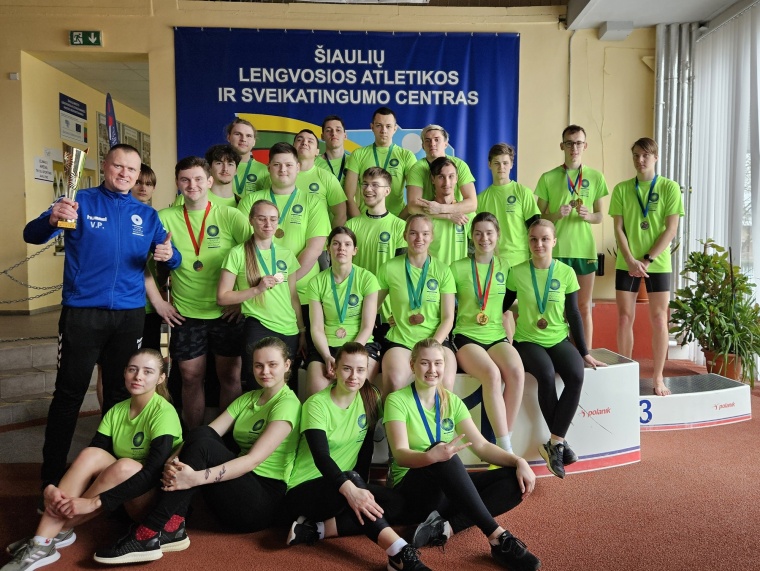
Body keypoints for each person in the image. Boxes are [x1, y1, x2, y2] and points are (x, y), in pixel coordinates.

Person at [23, 144, 181, 492]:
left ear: (138, 175)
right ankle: (51, 476)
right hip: (83, 314)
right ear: (106, 166)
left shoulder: (146, 215)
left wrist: (169, 255)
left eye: (132, 169)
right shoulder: (78, 201)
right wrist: (51, 219)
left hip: (128, 317)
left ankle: (108, 475)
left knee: (119, 397)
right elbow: (31, 235)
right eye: (118, 166)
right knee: (69, 394)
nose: (125, 174)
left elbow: (173, 258)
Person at [93, 338, 301, 564]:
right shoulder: (248, 399)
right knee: (201, 433)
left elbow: (252, 461)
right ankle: (172, 527)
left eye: (272, 365)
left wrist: (195, 478)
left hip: (260, 502)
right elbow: (207, 433)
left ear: (287, 365)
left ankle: (150, 531)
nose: (265, 371)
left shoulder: (287, 404)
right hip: (236, 489)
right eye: (258, 365)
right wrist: (173, 459)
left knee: (203, 445)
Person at [1, 349, 182, 571]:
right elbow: (90, 461)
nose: (138, 377)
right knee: (91, 454)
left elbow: (153, 472)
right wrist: (54, 487)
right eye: (132, 369)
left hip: (155, 505)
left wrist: (93, 502)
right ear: (124, 372)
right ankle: (43, 540)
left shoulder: (163, 412)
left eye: (148, 371)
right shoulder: (116, 411)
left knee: (125, 466)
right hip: (120, 497)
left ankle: (48, 533)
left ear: (161, 378)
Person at [384, 338, 540, 570]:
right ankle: (497, 537)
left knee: (513, 479)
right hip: (413, 491)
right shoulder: (396, 401)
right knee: (441, 453)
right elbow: (400, 455)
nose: (432, 369)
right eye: (425, 363)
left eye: (438, 363)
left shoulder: (452, 401)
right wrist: (432, 456)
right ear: (412, 365)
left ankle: (446, 528)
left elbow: (482, 446)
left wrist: (518, 461)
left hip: (446, 490)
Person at [285, 343, 431, 571]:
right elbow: (321, 457)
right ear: (334, 369)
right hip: (305, 490)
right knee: (355, 484)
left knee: (396, 503)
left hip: (346, 485)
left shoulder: (370, 397)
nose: (354, 376)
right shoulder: (316, 404)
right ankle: (399, 553)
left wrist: (361, 489)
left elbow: (366, 448)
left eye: (360, 370)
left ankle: (315, 530)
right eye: (347, 369)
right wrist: (353, 490)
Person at [504, 219, 606, 479]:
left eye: (544, 239)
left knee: (576, 374)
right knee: (546, 374)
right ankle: (560, 445)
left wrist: (584, 351)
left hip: (558, 338)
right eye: (533, 239)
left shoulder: (566, 272)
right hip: (527, 341)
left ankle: (555, 443)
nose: (538, 244)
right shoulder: (516, 272)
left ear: (554, 241)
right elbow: (501, 307)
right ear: (528, 242)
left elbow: (573, 313)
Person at [158, 157, 252, 428]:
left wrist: (242, 300)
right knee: (190, 377)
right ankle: (194, 438)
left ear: (210, 181)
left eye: (199, 179)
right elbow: (145, 263)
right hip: (186, 313)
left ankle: (225, 438)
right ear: (177, 183)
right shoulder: (164, 218)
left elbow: (254, 257)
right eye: (185, 180)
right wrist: (160, 301)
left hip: (226, 312)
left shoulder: (230, 215)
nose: (192, 185)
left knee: (230, 377)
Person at [238, 143, 331, 367]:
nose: (283, 169)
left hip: (303, 294)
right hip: (259, 300)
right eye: (277, 164)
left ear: (298, 167)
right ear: (268, 167)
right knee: (260, 367)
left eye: (289, 165)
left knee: (296, 364)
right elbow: (243, 246)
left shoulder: (313, 202)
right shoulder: (251, 201)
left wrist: (284, 281)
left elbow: (314, 248)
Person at [609, 137, 683, 396]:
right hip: (626, 262)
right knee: (624, 318)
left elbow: (671, 229)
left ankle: (658, 377)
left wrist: (648, 259)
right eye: (636, 156)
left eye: (645, 155)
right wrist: (630, 259)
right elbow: (618, 228)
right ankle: (625, 373)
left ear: (655, 157)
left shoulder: (669, 188)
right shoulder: (621, 189)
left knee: (660, 319)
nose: (640, 160)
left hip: (657, 264)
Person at [451, 213, 524, 453]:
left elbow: (512, 303)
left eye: (489, 233)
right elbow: (444, 305)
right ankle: (505, 451)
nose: (484, 238)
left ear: (498, 235)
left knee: (516, 372)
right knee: (492, 374)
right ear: (471, 236)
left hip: (496, 336)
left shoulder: (506, 267)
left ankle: (505, 442)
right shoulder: (457, 267)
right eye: (479, 233)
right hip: (466, 337)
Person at [218, 200, 304, 390]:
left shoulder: (286, 254)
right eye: (261, 219)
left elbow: (293, 296)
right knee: (258, 384)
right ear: (251, 220)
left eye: (273, 219)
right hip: (259, 325)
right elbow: (222, 297)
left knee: (286, 386)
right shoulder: (237, 253)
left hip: (289, 328)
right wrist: (256, 290)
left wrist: (302, 330)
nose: (268, 224)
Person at [535, 125, 608, 349]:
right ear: (562, 146)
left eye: (578, 143)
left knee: (584, 307)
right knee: (557, 307)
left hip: (584, 250)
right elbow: (539, 217)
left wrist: (588, 215)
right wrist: (556, 214)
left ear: (585, 146)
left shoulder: (595, 177)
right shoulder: (548, 177)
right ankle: (560, 353)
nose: (574, 148)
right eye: (569, 143)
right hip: (556, 252)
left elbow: (600, 216)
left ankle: (585, 355)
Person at [377, 215, 457, 400]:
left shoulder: (443, 271)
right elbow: (372, 306)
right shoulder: (389, 268)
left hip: (436, 340)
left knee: (445, 385)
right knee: (395, 382)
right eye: (413, 233)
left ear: (432, 237)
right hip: (402, 341)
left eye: (425, 234)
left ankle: (441, 420)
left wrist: (432, 346)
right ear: (405, 235)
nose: (419, 238)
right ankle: (390, 419)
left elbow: (448, 318)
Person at [306, 226, 380, 395]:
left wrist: (348, 357)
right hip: (326, 347)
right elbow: (316, 328)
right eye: (336, 244)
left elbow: (367, 326)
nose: (341, 248)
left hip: (360, 344)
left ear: (355, 250)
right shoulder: (316, 282)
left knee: (358, 389)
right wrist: (327, 356)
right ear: (328, 248)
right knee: (317, 391)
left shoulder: (367, 279)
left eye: (347, 244)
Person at [344, 167, 407, 346]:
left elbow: (402, 275)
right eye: (365, 184)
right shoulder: (351, 226)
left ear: (387, 191)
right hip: (356, 310)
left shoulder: (400, 227)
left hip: (389, 315)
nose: (368, 189)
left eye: (375, 185)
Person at [255, 130, 347, 227]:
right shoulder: (273, 177)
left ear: (317, 151)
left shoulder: (328, 178)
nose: (304, 143)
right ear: (293, 147)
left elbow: (340, 215)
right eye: (299, 140)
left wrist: (328, 236)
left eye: (310, 141)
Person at [343, 107, 417, 218]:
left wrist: (398, 222)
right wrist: (360, 222)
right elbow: (348, 196)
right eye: (379, 125)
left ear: (395, 129)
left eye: (388, 126)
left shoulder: (406, 156)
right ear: (372, 127)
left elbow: (414, 198)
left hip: (396, 219)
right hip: (366, 219)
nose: (383, 130)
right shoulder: (358, 154)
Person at [476, 143, 540, 268]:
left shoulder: (523, 193)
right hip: (492, 262)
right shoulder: (481, 199)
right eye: (496, 163)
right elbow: (475, 234)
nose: (501, 167)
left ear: (511, 165)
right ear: (489, 165)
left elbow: (536, 228)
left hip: (520, 261)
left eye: (505, 163)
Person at [405, 124, 477, 219]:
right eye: (428, 140)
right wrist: (448, 215)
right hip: (431, 220)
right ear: (423, 146)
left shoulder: (460, 165)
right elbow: (413, 207)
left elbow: (472, 204)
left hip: (459, 219)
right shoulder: (417, 169)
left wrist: (441, 208)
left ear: (446, 144)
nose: (432, 144)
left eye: (437, 139)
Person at [426, 157, 473, 266]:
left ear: (457, 178)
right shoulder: (425, 214)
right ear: (432, 179)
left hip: (459, 275)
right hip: (432, 274)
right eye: (441, 177)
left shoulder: (468, 213)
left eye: (451, 176)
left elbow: (480, 248)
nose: (447, 182)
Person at [225, 117, 267, 199]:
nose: (243, 139)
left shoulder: (265, 171)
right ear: (228, 137)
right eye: (238, 134)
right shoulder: (216, 168)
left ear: (254, 141)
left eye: (248, 136)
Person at [315, 115, 350, 185]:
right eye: (328, 130)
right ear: (322, 137)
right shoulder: (314, 163)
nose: (333, 133)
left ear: (345, 136)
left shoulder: (354, 161)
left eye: (338, 130)